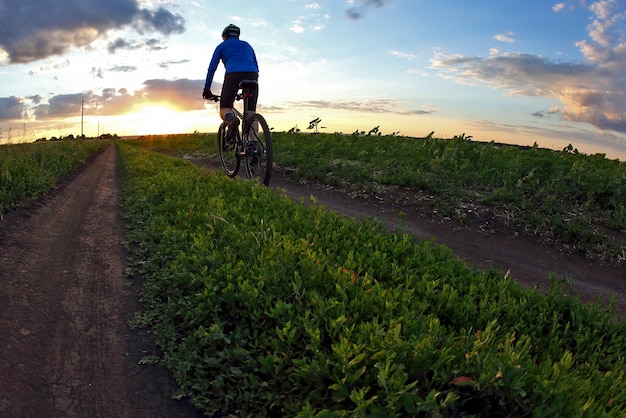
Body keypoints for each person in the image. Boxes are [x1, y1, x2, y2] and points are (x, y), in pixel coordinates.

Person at [202, 24, 259, 140]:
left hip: (233, 74)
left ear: (225, 36)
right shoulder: (247, 45)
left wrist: (207, 89)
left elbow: (212, 68)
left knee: (225, 108)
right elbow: (256, 67)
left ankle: (232, 119)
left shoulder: (222, 46)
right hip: (252, 75)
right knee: (251, 113)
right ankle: (254, 147)